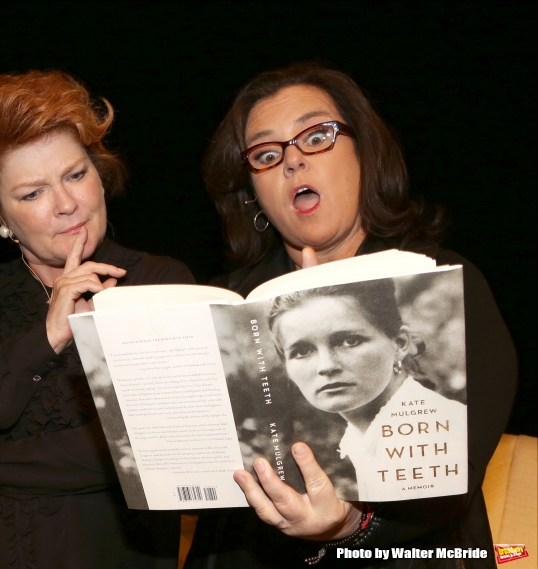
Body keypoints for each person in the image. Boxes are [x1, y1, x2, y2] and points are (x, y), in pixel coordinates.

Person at [185, 62, 517, 568]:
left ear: (365, 152)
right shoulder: (225, 304)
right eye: (267, 154)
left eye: (316, 136)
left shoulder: (443, 276)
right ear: (252, 191)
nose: (292, 162)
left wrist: (351, 527)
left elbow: (452, 481)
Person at [0, 71, 193, 569]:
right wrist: (49, 335)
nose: (66, 204)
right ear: (1, 218)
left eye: (75, 175)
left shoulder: (160, 282)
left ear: (99, 174)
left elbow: (143, 450)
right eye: (32, 194)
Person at [267, 280, 467, 502]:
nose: (326, 366)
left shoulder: (441, 433)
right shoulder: (364, 438)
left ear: (400, 343)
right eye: (302, 351)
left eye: (350, 341)